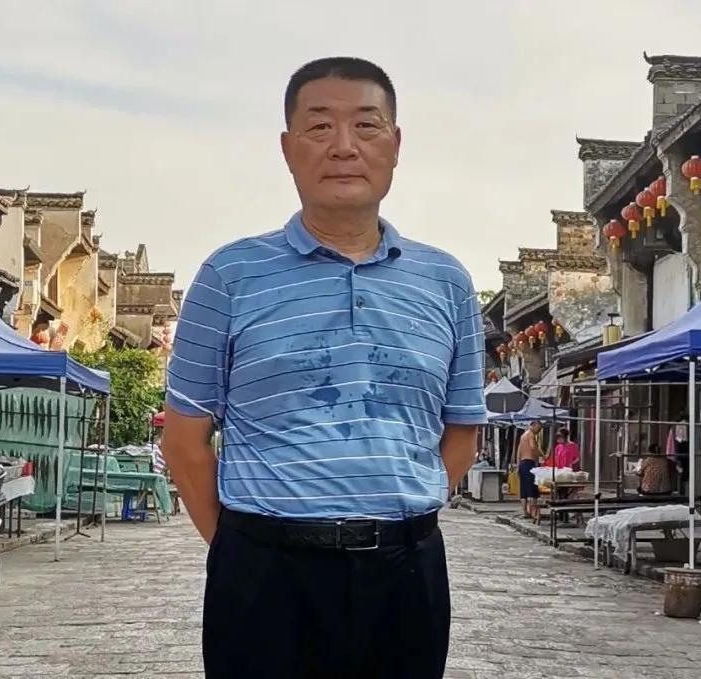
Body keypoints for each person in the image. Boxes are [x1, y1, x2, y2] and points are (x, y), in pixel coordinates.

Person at [162, 57, 486, 679]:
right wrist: (244, 549)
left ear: (395, 144)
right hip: (264, 577)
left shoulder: (446, 282)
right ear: (288, 149)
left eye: (366, 125)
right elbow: (184, 441)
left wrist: (395, 517)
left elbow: (462, 431)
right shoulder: (230, 276)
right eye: (319, 127)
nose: (343, 147)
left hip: (406, 576)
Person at [516, 420, 544, 522]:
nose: (538, 431)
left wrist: (518, 465)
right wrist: (541, 454)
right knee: (532, 489)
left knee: (523, 489)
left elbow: (519, 452)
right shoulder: (531, 435)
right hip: (529, 463)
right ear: (533, 425)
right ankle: (533, 513)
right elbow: (533, 447)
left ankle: (525, 512)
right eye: (538, 428)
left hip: (522, 463)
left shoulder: (523, 436)